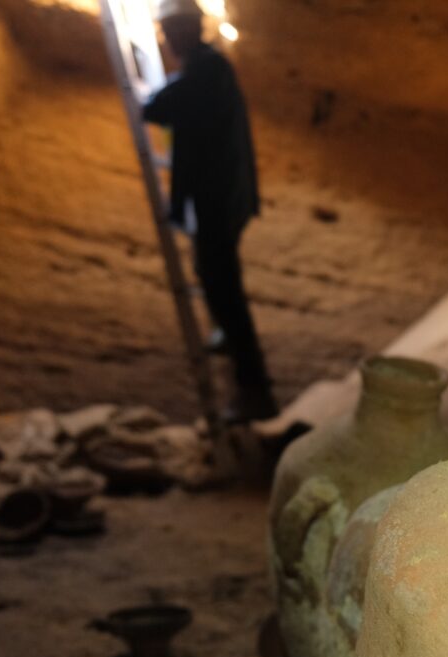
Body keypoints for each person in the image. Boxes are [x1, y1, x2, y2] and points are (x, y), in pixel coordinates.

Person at [143, 0, 277, 422]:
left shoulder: (209, 68)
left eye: (168, 31)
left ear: (187, 30)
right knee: (211, 273)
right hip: (219, 197)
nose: (165, 40)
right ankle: (235, 356)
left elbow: (159, 107)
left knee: (226, 291)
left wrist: (152, 97)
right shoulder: (205, 69)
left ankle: (255, 392)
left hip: (221, 198)